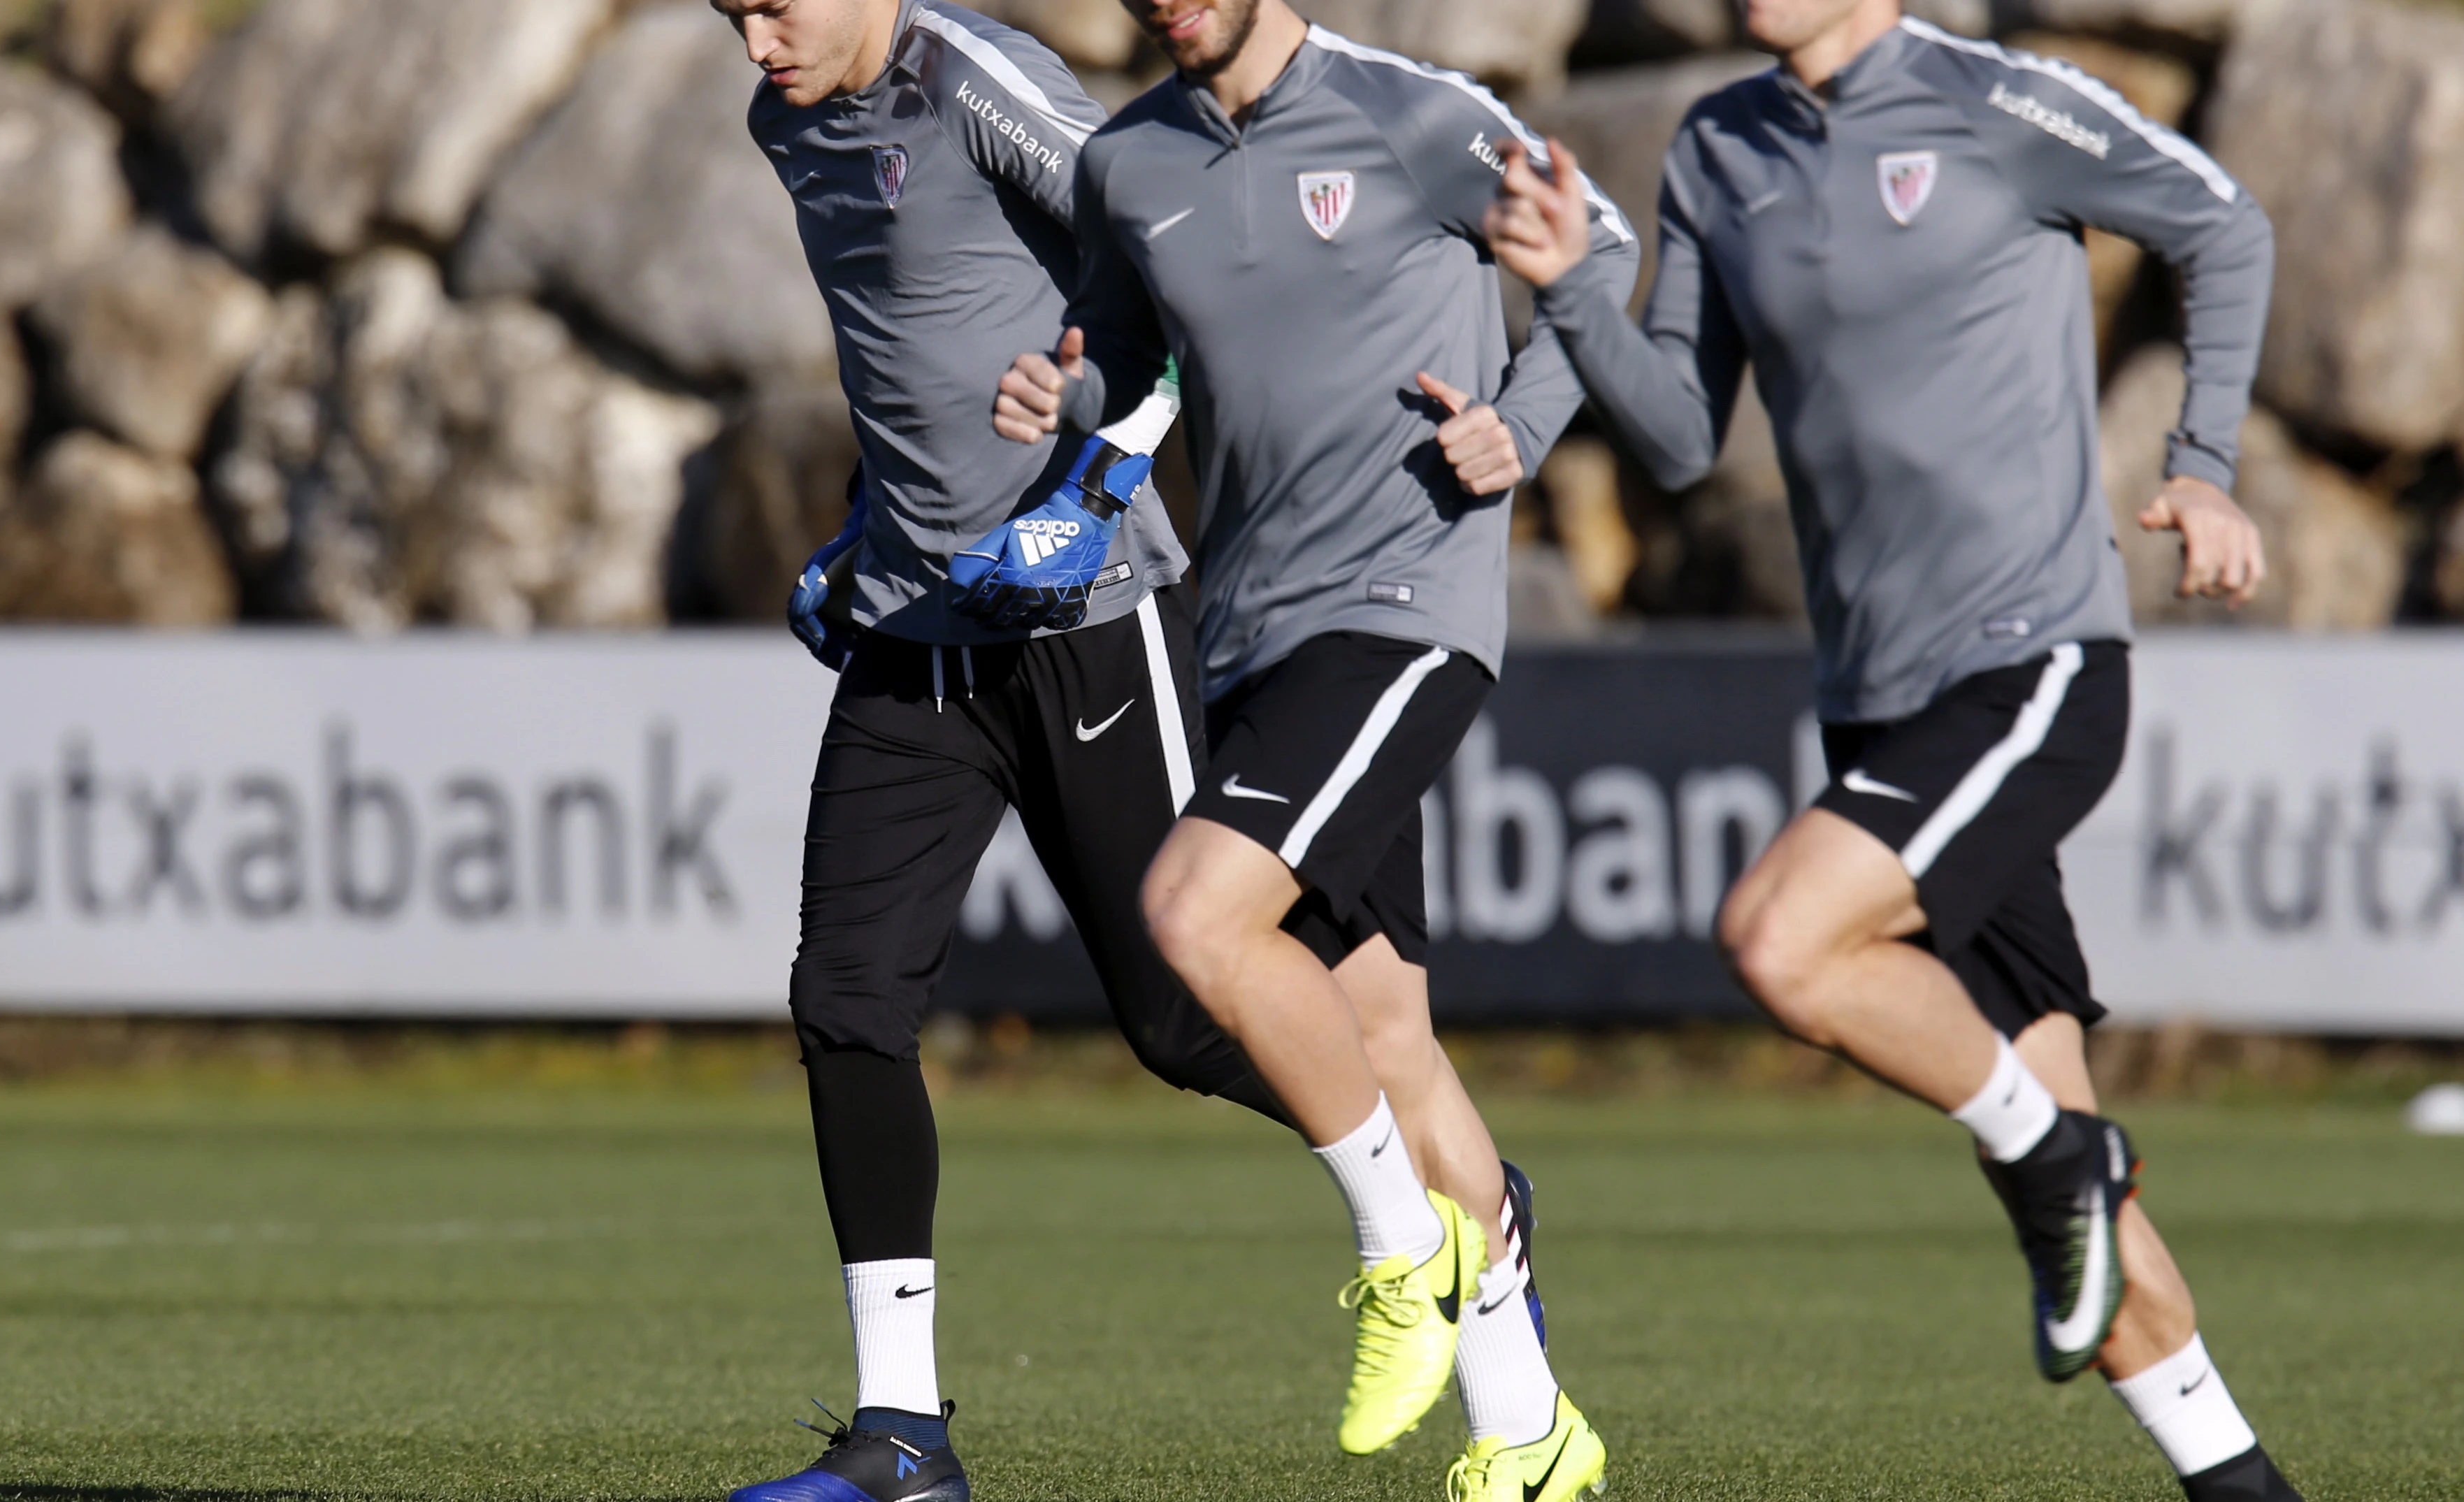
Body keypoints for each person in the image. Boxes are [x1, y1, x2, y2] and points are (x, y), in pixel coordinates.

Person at [721, 2, 1549, 1498]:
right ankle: (900, 1438)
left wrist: (1096, 485)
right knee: (844, 1000)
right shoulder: (788, 126)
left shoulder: (983, 86)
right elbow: (912, 357)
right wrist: (864, 532)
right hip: (918, 636)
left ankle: (1468, 1214)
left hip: (1092, 621)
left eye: (774, 4)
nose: (757, 38)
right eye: (730, 16)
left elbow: (1174, 275)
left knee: (1183, 1019)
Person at [1480, 2, 2299, 1499]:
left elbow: (2220, 223)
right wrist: (1567, 297)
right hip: (1876, 698)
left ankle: (2061, 1160)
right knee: (2089, 1255)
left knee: (1780, 943)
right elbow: (1675, 440)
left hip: (2032, 666)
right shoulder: (1720, 146)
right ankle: (2234, 1476)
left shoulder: (1998, 101)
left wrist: (2202, 469)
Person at [993, 1, 1636, 1496]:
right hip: (1255, 633)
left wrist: (1518, 431)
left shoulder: (1410, 114)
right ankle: (1528, 1430)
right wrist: (1064, 395)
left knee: (1188, 914)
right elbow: (1129, 366)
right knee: (1391, 1045)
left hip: (1405, 610)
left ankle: (1401, 1253)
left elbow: (1595, 251)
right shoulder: (1129, 160)